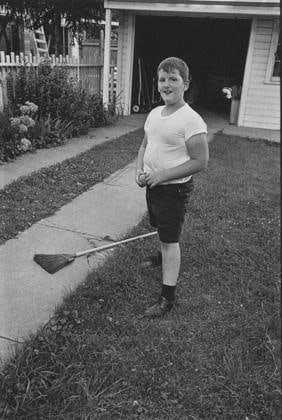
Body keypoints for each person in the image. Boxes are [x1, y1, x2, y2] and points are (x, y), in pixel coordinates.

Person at [135, 57, 209, 318]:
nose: (167, 84)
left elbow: (200, 161)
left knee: (170, 239)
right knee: (161, 229)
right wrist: (138, 169)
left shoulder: (191, 120)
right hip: (154, 186)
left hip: (173, 190)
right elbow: (145, 145)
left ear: (185, 84)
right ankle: (161, 253)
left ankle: (167, 298)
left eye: (173, 79)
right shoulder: (155, 113)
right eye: (162, 79)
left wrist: (164, 175)